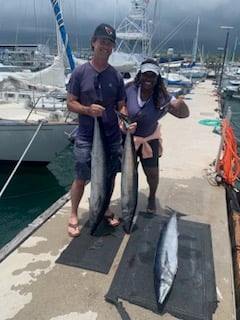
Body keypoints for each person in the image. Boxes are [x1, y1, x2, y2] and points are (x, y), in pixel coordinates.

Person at [66, 23, 133, 237]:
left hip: (112, 136)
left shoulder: (116, 76)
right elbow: (70, 103)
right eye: (102, 42)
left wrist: (124, 117)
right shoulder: (79, 73)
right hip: (87, 136)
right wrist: (87, 109)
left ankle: (103, 206)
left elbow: (121, 104)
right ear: (93, 43)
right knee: (80, 178)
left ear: (113, 48)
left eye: (110, 43)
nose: (105, 46)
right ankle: (74, 214)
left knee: (110, 175)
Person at [123, 58, 190, 214]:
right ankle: (128, 199)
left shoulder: (162, 94)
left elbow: (184, 115)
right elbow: (121, 105)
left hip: (149, 138)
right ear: (140, 74)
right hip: (128, 139)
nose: (148, 79)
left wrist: (179, 103)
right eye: (146, 75)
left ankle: (152, 197)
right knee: (127, 173)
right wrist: (124, 118)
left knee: (152, 173)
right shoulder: (129, 88)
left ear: (157, 78)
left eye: (152, 76)